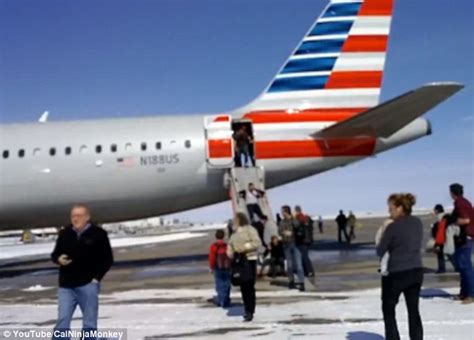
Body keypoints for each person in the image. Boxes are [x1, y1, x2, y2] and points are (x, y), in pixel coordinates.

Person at [51, 204, 113, 340]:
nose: (75, 219)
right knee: (62, 320)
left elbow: (108, 259)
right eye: (73, 216)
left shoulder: (98, 234)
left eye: (79, 216)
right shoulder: (65, 233)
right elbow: (55, 254)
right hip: (66, 286)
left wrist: (96, 278)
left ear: (87, 217)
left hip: (88, 285)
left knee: (89, 322)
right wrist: (58, 259)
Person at [377, 193, 423, 340]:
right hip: (416, 271)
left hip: (397, 273)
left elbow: (380, 250)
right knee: (413, 310)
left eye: (391, 208)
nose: (389, 211)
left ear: (400, 208)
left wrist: (385, 229)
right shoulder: (417, 222)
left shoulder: (393, 227)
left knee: (388, 309)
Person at [227, 212, 262, 322]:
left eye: (235, 219)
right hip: (239, 261)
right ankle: (247, 309)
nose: (233, 220)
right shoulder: (234, 233)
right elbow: (230, 245)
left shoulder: (249, 229)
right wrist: (230, 253)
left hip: (250, 259)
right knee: (243, 286)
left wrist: (245, 247)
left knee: (249, 285)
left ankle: (250, 310)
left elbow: (257, 242)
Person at [449, 183, 474, 304]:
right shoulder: (464, 202)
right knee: (462, 265)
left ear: (452, 193)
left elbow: (466, 220)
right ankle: (464, 292)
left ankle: (471, 294)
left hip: (466, 237)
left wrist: (453, 220)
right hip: (464, 238)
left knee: (465, 266)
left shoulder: (460, 203)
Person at [278, 205, 305, 291]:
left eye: (282, 211)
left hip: (295, 244)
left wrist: (292, 218)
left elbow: (297, 226)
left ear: (286, 212)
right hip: (286, 244)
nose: (282, 213)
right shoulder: (282, 222)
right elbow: (279, 230)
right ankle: (291, 281)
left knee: (298, 265)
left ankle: (301, 283)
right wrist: (284, 233)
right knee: (289, 265)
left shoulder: (293, 220)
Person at [208, 229, 231, 308]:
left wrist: (211, 267)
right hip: (227, 267)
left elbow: (212, 258)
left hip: (218, 268)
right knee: (227, 284)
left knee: (219, 284)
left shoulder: (213, 246)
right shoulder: (226, 246)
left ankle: (221, 300)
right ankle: (226, 299)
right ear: (223, 236)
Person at [294, 206, 315, 277]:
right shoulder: (304, 218)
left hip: (303, 240)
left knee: (304, 256)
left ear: (296, 211)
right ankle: (308, 271)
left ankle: (309, 271)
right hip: (306, 240)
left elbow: (300, 230)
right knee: (304, 256)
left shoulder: (300, 218)